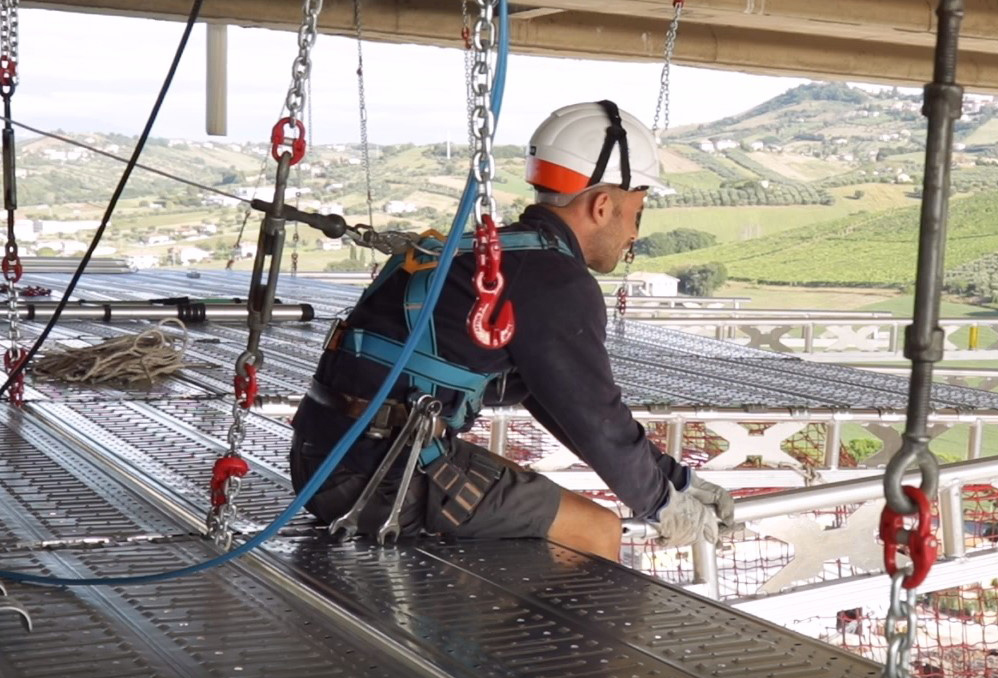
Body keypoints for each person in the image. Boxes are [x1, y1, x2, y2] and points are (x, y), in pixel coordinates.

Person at [288, 100, 734, 560]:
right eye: (636, 213)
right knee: (596, 530)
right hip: (370, 479)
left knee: (538, 499)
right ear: (603, 206)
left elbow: (562, 407)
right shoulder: (554, 280)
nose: (635, 234)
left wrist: (675, 480)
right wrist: (660, 505)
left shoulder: (504, 257)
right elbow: (597, 419)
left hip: (329, 459)